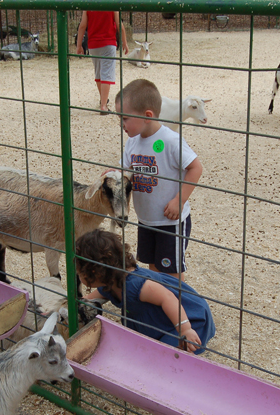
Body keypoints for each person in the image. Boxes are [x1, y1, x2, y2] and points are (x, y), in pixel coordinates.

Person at [114, 79, 204, 281]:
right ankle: (160, 306)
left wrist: (179, 200)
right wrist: (113, 174)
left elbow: (195, 168)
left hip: (170, 222)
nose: (121, 124)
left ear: (147, 116)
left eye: (125, 118)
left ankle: (178, 308)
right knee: (154, 270)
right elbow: (125, 169)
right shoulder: (132, 141)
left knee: (171, 274)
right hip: (146, 220)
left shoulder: (170, 140)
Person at [76, 229, 215, 354]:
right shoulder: (110, 283)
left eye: (79, 271)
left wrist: (185, 330)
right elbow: (93, 297)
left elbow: (168, 298)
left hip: (188, 318)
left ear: (95, 271)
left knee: (166, 355)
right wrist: (81, 302)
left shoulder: (135, 285)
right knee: (147, 349)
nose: (77, 274)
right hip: (163, 322)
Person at [76, 11, 129, 114]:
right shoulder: (112, 4)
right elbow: (120, 25)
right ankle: (103, 106)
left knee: (99, 72)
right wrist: (124, 42)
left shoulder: (88, 5)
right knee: (107, 73)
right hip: (108, 42)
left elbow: (82, 26)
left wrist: (79, 45)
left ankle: (103, 99)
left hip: (93, 44)